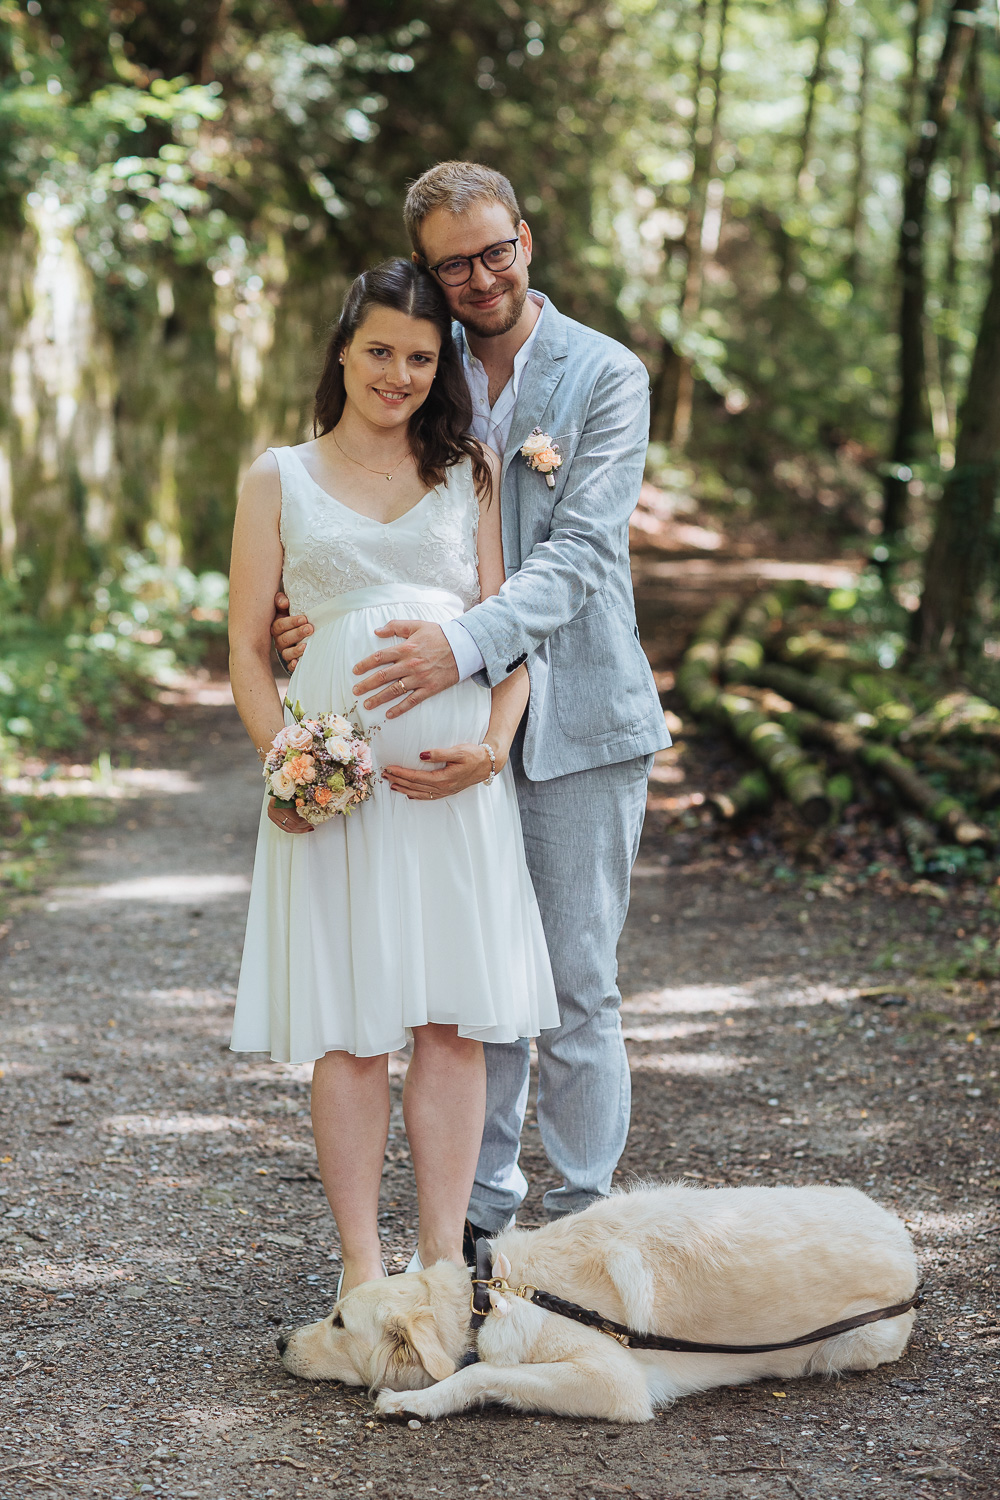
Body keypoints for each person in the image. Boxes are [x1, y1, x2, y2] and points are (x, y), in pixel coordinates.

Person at [272, 163, 669, 1250]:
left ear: (526, 240)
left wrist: (461, 643)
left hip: (575, 709)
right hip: (432, 724)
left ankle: (582, 1230)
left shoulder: (605, 374)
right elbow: (352, 516)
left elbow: (583, 551)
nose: (480, 275)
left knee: (577, 985)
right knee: (471, 979)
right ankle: (484, 1229)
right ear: (430, 273)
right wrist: (308, 624)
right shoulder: (411, 361)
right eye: (455, 262)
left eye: (495, 250)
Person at [228, 257, 558, 1294]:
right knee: (350, 1027)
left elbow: (510, 638)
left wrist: (493, 749)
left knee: (451, 1025)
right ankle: (361, 1274)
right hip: (338, 788)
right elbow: (245, 647)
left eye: (421, 356)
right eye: (380, 350)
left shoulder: (473, 467)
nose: (399, 374)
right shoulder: (276, 475)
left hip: (452, 784)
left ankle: (438, 1265)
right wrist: (286, 763)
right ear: (341, 348)